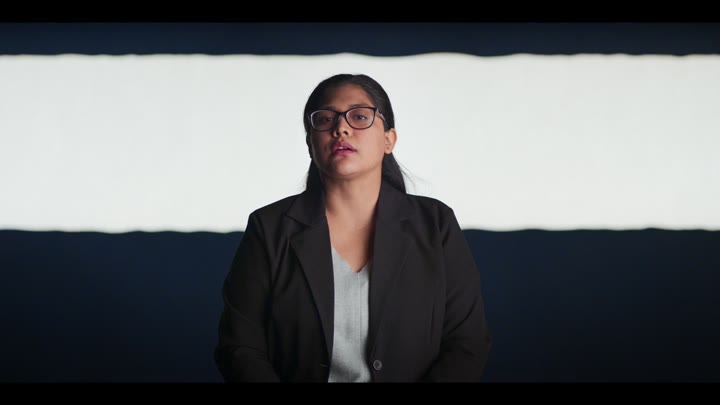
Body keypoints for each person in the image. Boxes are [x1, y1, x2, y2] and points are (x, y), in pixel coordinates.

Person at [214, 73, 491, 382]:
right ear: (310, 144)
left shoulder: (436, 224)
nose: (341, 128)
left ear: (388, 140)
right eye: (325, 119)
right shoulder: (269, 227)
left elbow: (466, 342)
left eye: (359, 116)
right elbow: (240, 347)